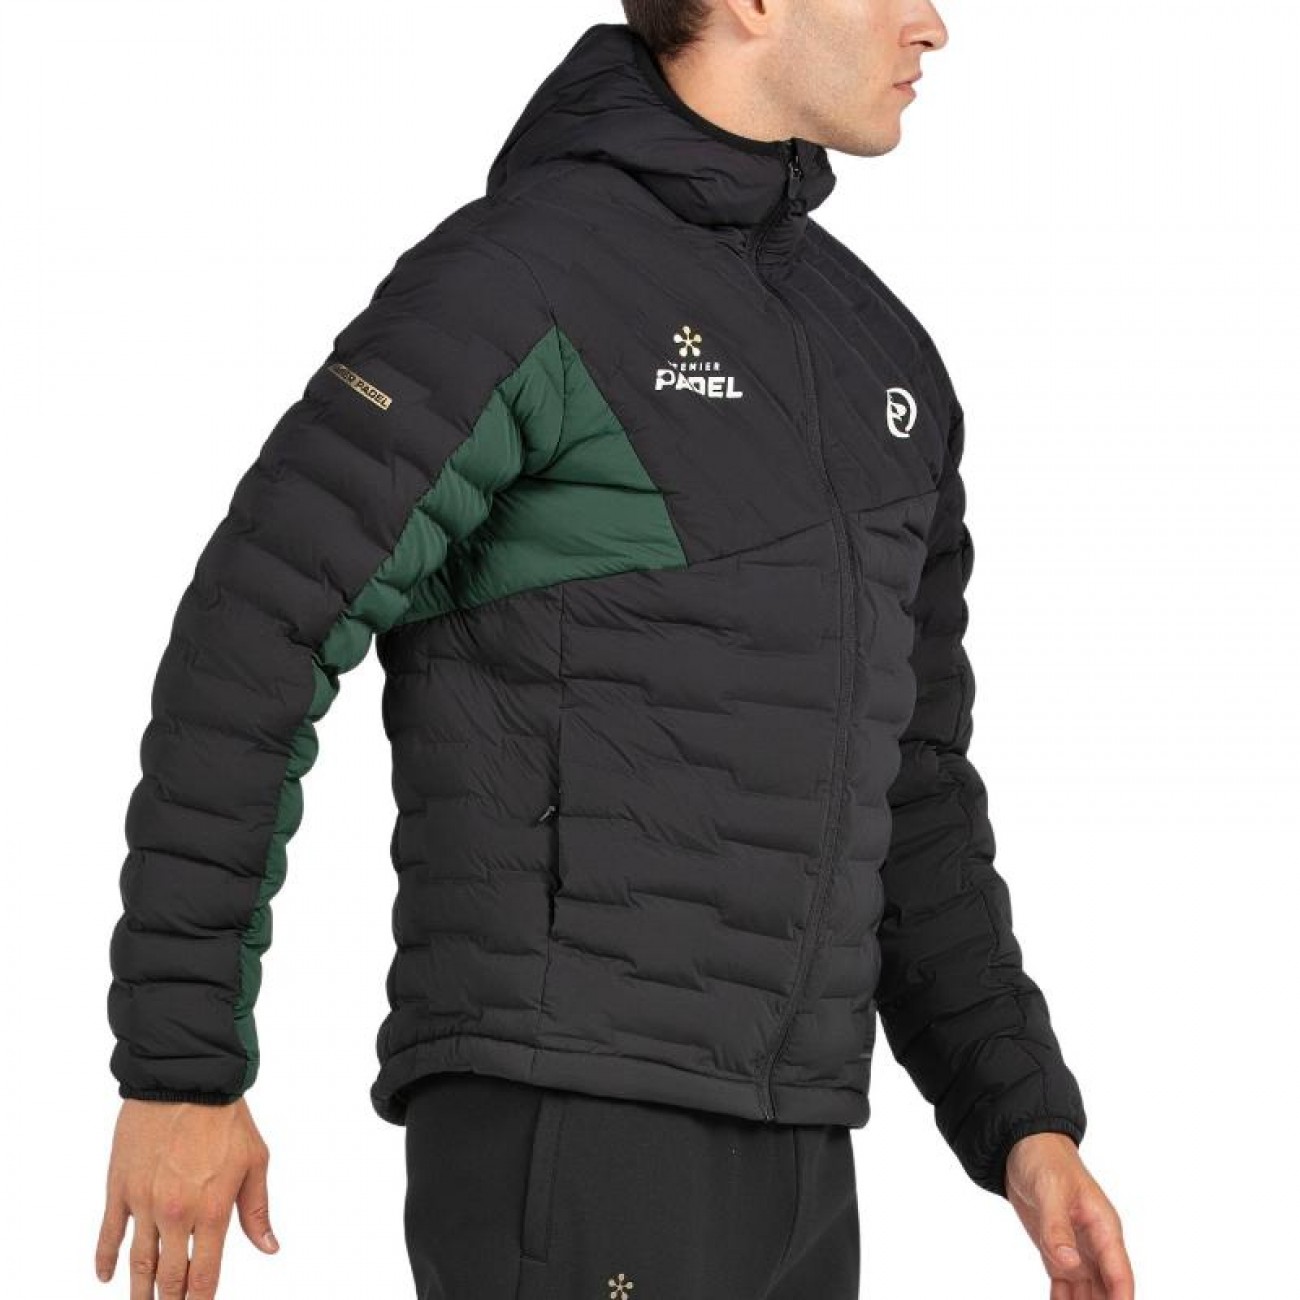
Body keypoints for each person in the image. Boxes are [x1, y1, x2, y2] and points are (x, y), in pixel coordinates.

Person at [96, 4, 1135, 1298]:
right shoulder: (520, 284)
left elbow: (911, 784)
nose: (931, 25)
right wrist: (182, 1068)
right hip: (572, 1118)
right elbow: (261, 625)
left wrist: (1023, 1119)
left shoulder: (882, 357)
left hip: (803, 1146)